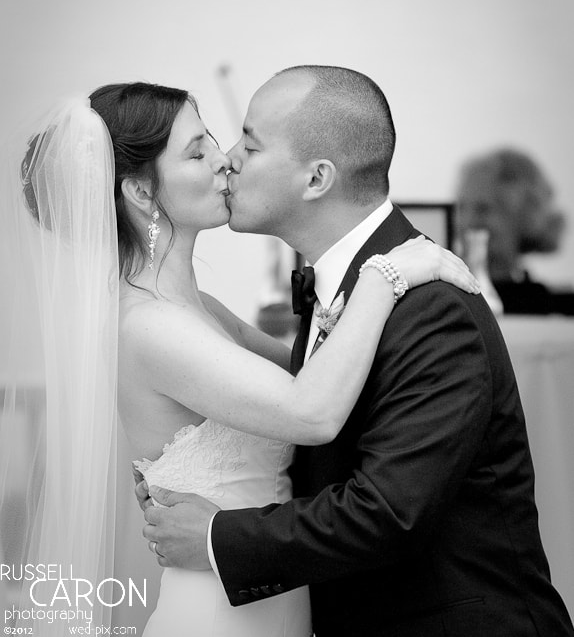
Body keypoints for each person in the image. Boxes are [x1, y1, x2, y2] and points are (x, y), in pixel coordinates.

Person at [0, 83, 477, 637]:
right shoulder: (149, 327)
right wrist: (384, 275)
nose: (224, 161)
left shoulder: (200, 310)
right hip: (218, 612)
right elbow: (312, 412)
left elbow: (310, 376)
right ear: (139, 191)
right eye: (196, 152)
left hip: (268, 591)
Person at [140, 66, 574, 637]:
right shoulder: (347, 288)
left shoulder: (431, 307)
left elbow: (391, 510)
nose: (230, 159)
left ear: (317, 178)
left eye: (250, 142)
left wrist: (219, 537)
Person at [455, 148, 574, 315]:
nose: (466, 222)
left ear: (523, 217)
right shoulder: (447, 294)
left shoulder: (541, 303)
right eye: (462, 207)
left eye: (483, 209)